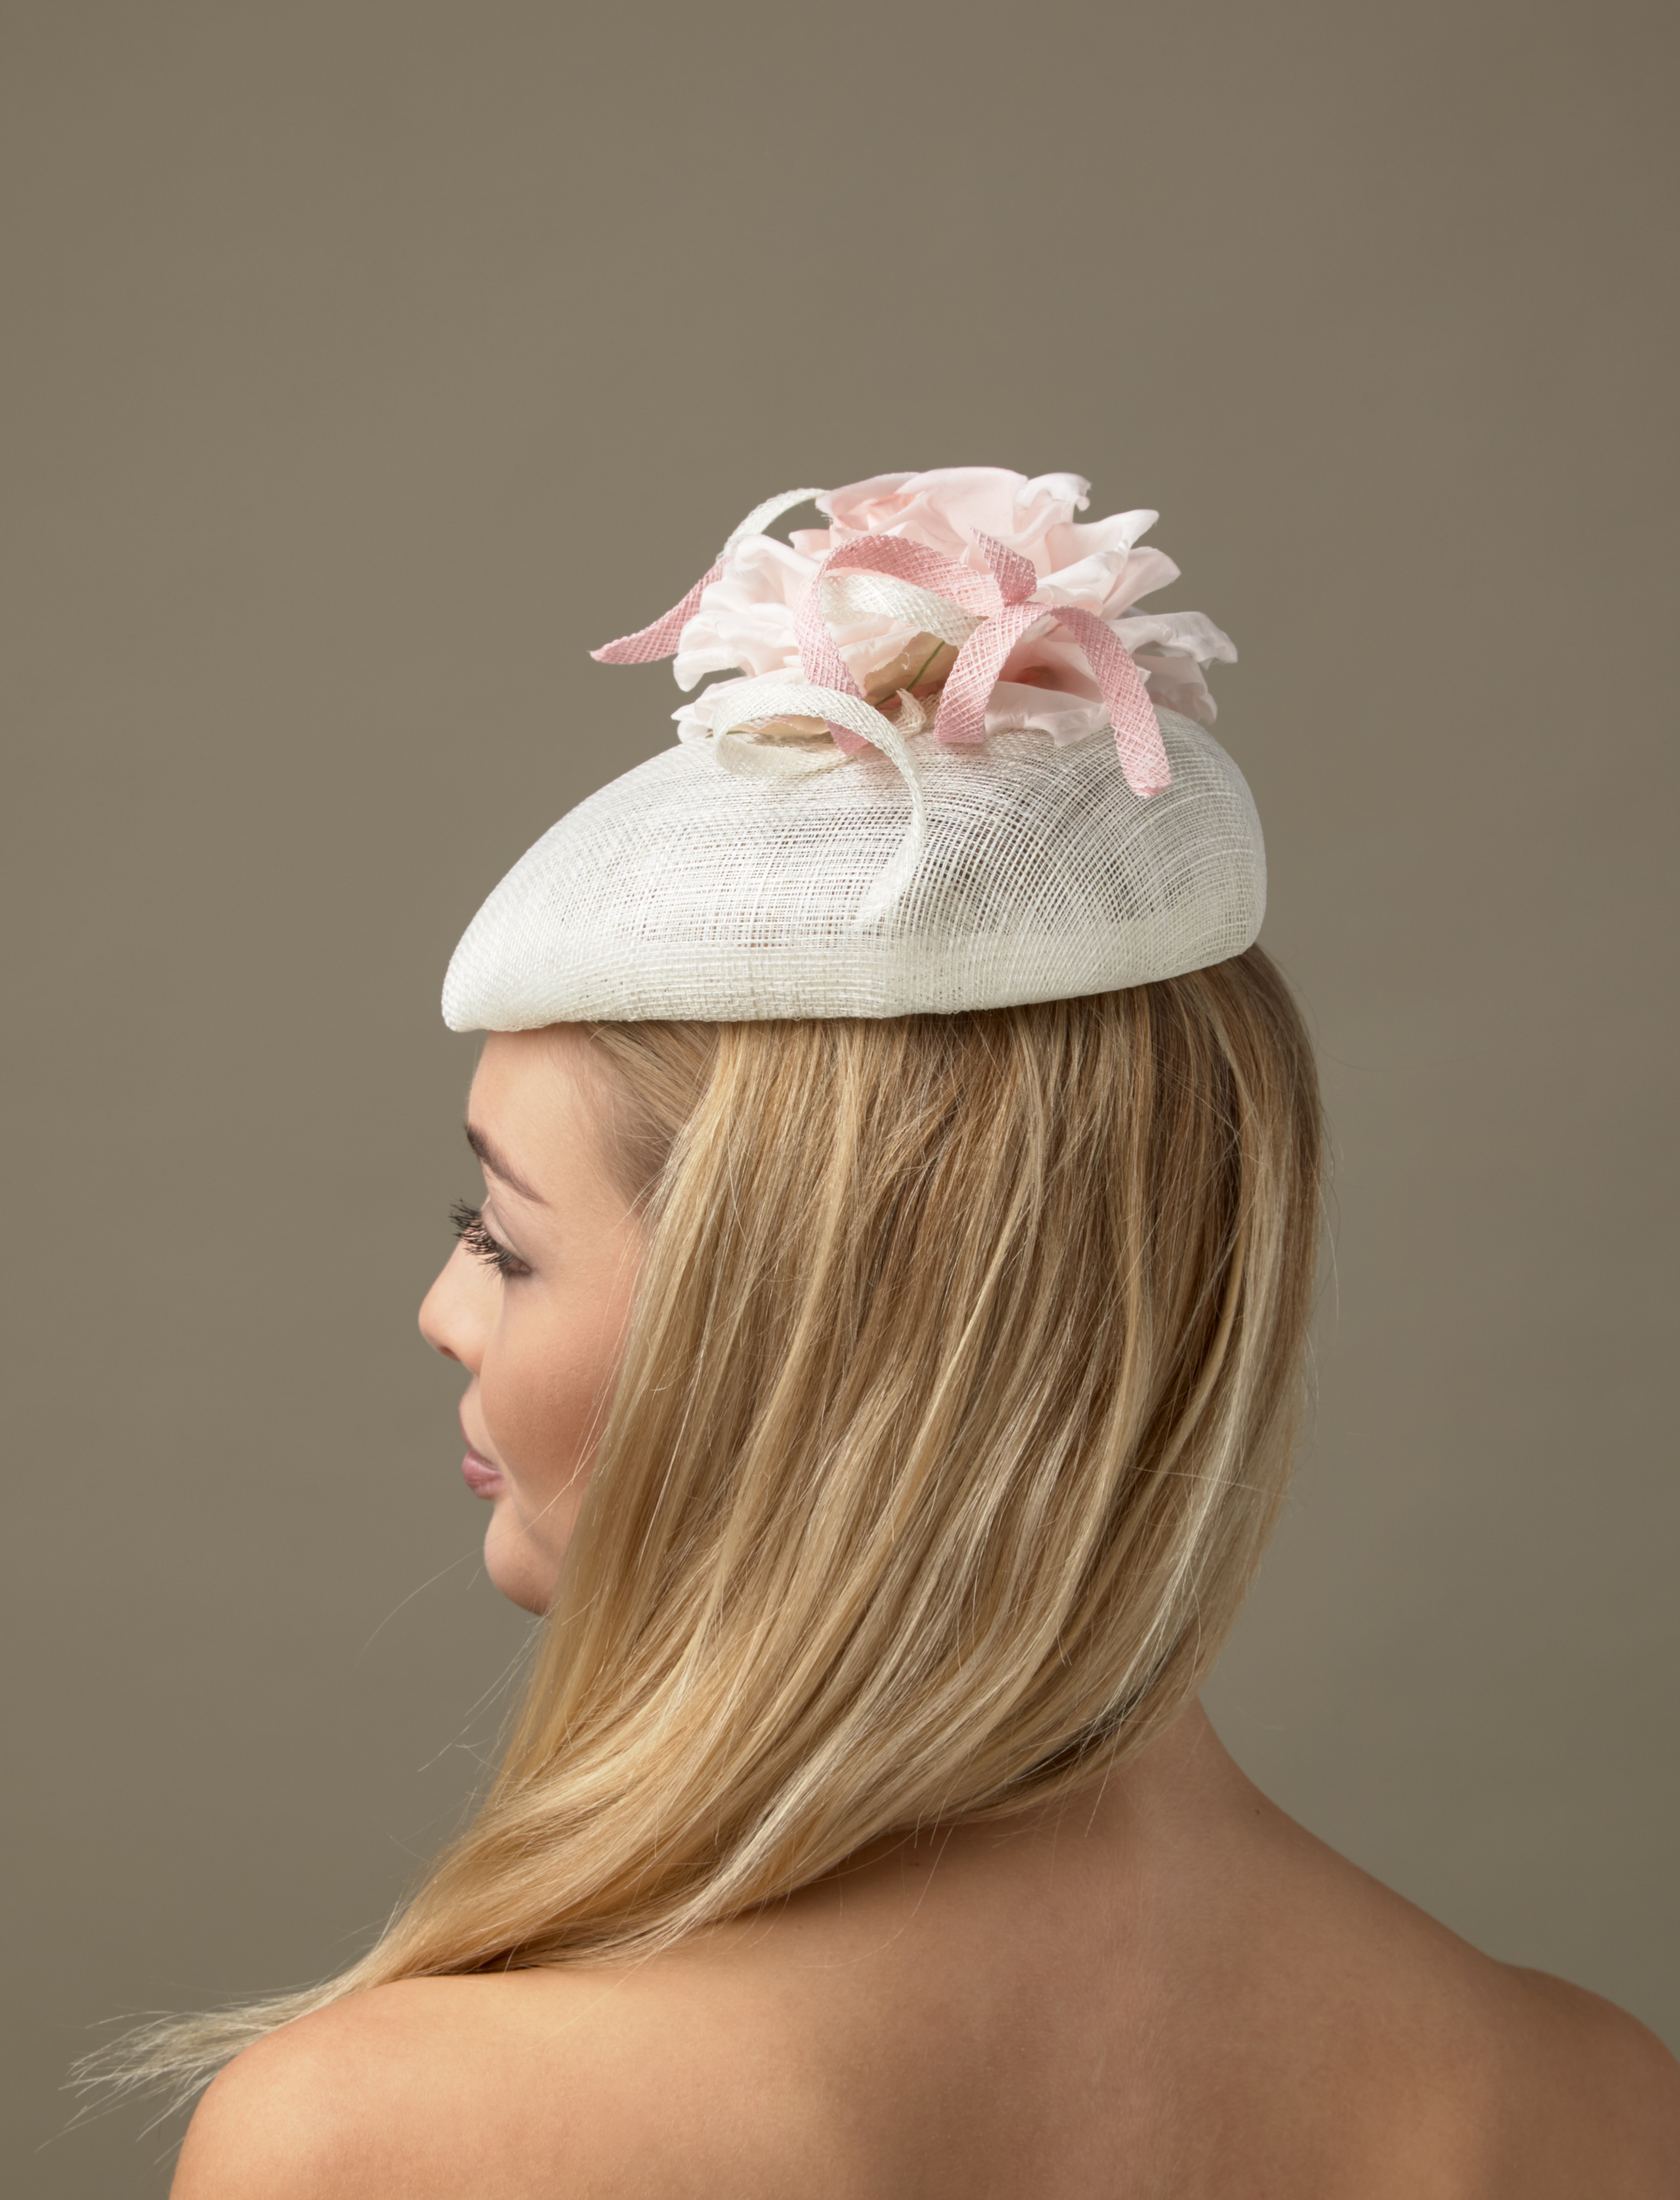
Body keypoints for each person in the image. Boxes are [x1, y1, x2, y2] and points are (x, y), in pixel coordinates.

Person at [121, 471, 1675, 2195]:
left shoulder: (386, 2142)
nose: (442, 1311)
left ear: (809, 1343)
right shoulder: (1588, 2106)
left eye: (503, 1237)